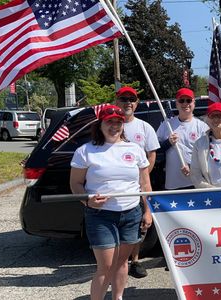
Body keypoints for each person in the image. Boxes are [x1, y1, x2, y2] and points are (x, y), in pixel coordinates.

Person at [69, 105, 152, 300]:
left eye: (118, 122)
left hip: (131, 213)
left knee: (122, 262)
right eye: (109, 122)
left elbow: (145, 184)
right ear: (100, 125)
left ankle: (118, 297)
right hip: (100, 216)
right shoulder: (85, 151)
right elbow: (76, 184)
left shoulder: (135, 149)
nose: (114, 126)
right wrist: (88, 202)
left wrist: (147, 211)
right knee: (105, 266)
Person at [114, 86, 160, 279]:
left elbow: (152, 154)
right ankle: (116, 263)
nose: (128, 103)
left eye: (131, 100)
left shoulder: (144, 127)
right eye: (124, 99)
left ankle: (135, 260)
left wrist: (143, 177)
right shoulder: (111, 124)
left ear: (137, 103)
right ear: (117, 102)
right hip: (115, 186)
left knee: (138, 224)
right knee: (115, 223)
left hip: (139, 185)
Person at [157, 88, 209, 189]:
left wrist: (193, 168)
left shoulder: (202, 127)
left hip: (196, 182)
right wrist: (167, 143)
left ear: (194, 103)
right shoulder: (167, 125)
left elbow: (207, 155)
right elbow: (154, 150)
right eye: (181, 101)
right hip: (173, 183)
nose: (185, 104)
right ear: (176, 104)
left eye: (188, 100)